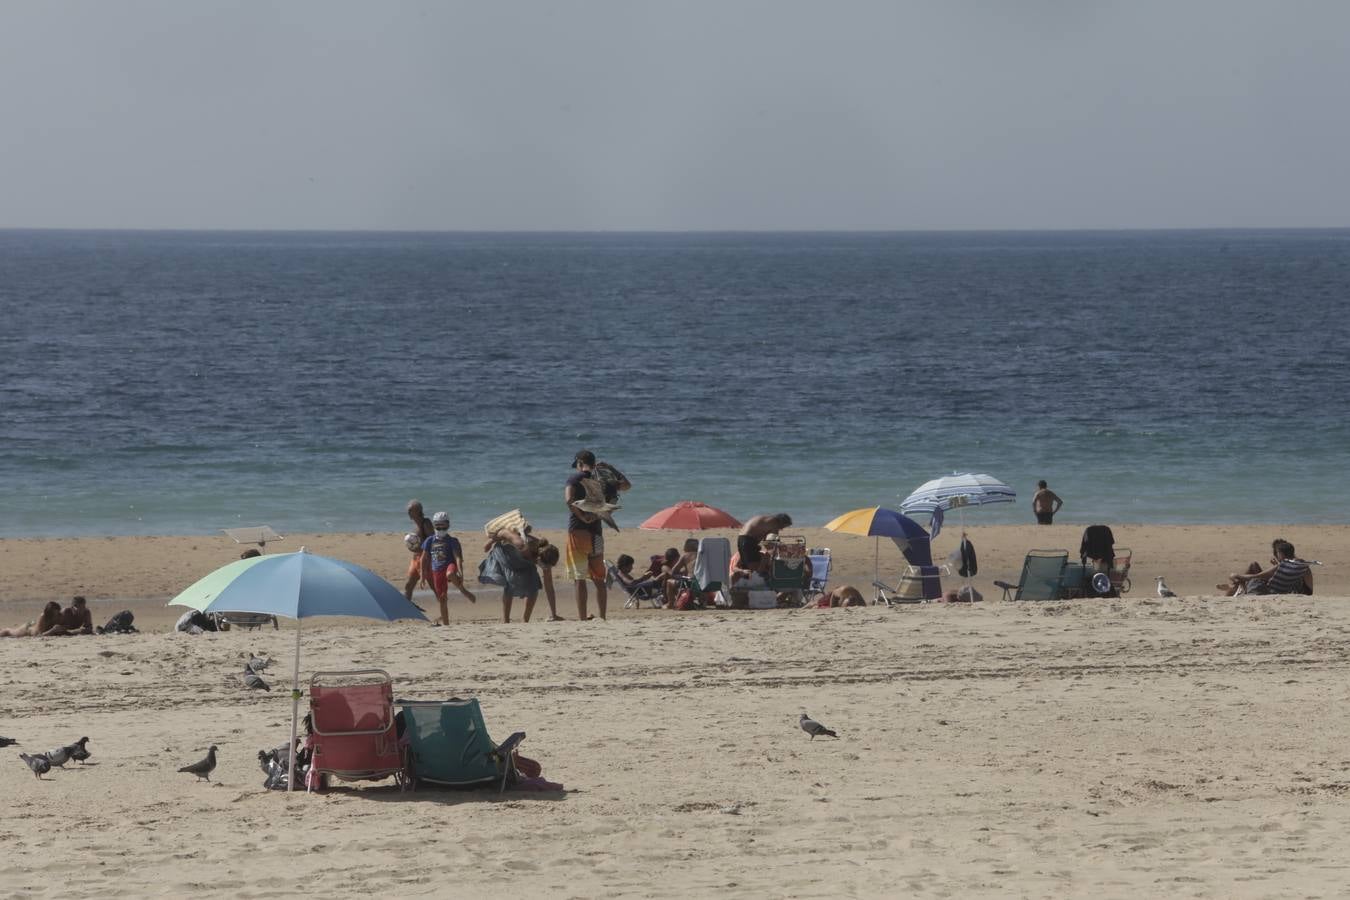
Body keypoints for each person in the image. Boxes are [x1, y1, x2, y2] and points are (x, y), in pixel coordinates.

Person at [565, 450, 628, 620]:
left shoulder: (574, 479)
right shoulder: (603, 480)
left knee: (579, 578)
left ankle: (582, 618)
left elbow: (569, 500)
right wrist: (611, 468)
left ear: (579, 462)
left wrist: (582, 517)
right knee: (598, 578)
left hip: (578, 531)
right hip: (596, 534)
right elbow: (626, 485)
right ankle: (602, 617)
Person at [481, 525, 563, 623]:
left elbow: (549, 585)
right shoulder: (521, 543)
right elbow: (503, 532)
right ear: (539, 558)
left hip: (524, 560)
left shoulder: (546, 556)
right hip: (506, 552)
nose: (545, 568)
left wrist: (554, 613)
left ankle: (525, 620)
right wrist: (489, 542)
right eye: (544, 566)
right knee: (511, 581)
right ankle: (506, 619)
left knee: (534, 585)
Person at [421, 511, 477, 625]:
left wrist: (461, 572)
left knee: (450, 574)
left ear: (448, 525)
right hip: (436, 570)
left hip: (449, 566)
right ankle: (446, 625)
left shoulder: (452, 541)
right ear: (434, 525)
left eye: (444, 525)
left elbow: (457, 558)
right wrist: (423, 575)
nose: (441, 528)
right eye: (438, 526)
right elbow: (424, 558)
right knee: (442, 599)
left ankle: (463, 590)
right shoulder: (430, 541)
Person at [1220, 539, 1314, 596]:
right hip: (1299, 590)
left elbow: (1257, 576)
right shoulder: (1302, 565)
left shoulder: (1283, 565)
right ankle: (1235, 587)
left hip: (1280, 591)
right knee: (1254, 567)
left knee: (1252, 572)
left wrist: (1236, 576)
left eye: (1277, 553)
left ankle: (1234, 587)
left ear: (1280, 554)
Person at [734, 513, 793, 582]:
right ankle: (756, 580)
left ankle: (747, 583)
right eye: (783, 526)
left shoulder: (767, 520)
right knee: (754, 567)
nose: (782, 529)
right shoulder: (775, 524)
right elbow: (773, 544)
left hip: (742, 539)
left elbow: (766, 543)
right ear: (782, 522)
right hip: (748, 540)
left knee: (747, 565)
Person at [403, 500, 435, 603]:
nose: (408, 513)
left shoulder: (426, 523)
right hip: (415, 559)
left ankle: (444, 610)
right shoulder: (415, 526)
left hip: (426, 560)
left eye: (410, 510)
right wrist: (412, 548)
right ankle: (407, 608)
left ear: (418, 511)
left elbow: (432, 542)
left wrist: (420, 548)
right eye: (408, 510)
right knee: (408, 586)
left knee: (434, 587)